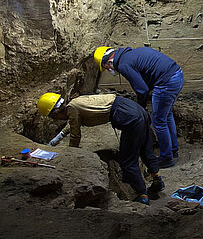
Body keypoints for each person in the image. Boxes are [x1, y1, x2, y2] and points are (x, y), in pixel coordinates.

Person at [37, 92, 165, 205]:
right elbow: (73, 122)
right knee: (145, 150)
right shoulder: (75, 103)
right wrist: (58, 137)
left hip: (130, 118)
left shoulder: (72, 109)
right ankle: (157, 180)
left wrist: (72, 153)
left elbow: (76, 134)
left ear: (55, 113)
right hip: (136, 110)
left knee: (127, 161)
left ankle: (142, 195)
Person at [94, 46, 184, 169]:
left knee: (158, 120)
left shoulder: (123, 65)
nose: (109, 70)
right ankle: (173, 150)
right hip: (176, 75)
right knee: (166, 115)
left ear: (109, 62)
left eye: (106, 68)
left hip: (166, 82)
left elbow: (142, 90)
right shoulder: (129, 55)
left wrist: (139, 109)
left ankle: (166, 158)